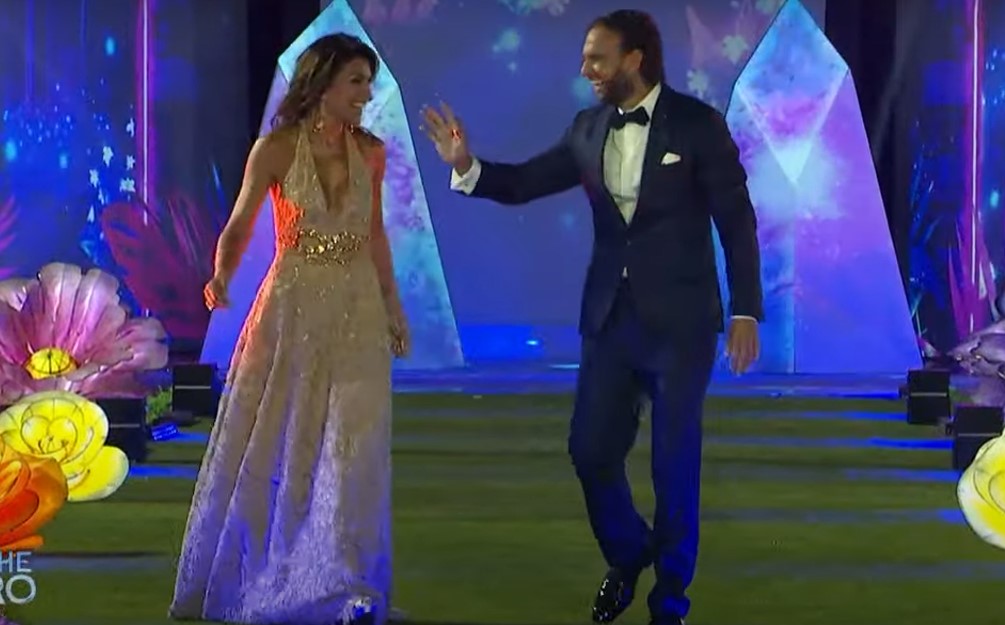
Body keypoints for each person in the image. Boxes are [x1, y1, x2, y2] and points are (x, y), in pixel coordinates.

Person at [421, 10, 762, 625]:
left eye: (597, 58)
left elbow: (736, 221)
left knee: (673, 464)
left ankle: (670, 601)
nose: (586, 70)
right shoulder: (587, 128)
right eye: (585, 58)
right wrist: (465, 165)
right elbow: (524, 182)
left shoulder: (697, 125)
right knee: (590, 450)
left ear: (635, 59)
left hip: (682, 324)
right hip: (610, 319)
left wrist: (745, 310)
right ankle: (629, 554)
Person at [169, 33, 409, 625]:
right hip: (291, 309)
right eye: (356, 81)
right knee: (284, 439)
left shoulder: (372, 154)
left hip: (357, 308)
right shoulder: (275, 149)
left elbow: (375, 234)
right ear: (322, 83)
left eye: (368, 82)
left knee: (353, 443)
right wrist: (221, 275)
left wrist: (393, 306)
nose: (366, 94)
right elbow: (240, 221)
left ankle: (348, 583)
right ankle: (271, 572)